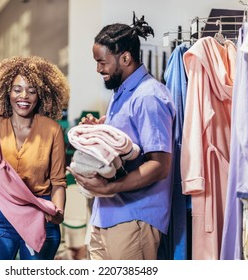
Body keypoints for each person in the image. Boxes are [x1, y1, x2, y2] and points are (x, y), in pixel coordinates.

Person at [67, 13, 176, 260]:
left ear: (125, 58)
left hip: (134, 218)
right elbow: (127, 139)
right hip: (106, 215)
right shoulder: (122, 93)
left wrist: (110, 187)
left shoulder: (149, 96)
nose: (98, 69)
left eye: (102, 62)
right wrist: (100, 129)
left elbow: (160, 166)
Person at [0, 55, 70, 260]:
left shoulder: (52, 130)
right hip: (1, 214)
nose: (23, 96)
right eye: (17, 89)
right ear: (6, 91)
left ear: (41, 94)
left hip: (41, 214)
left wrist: (58, 212)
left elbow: (58, 182)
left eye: (31, 90)